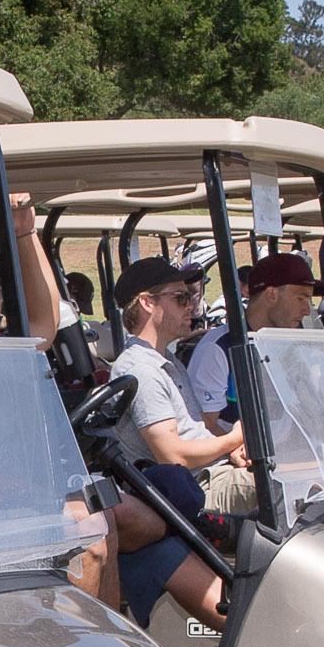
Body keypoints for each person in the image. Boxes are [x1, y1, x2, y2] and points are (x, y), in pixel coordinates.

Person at [95, 255, 239, 628]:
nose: (192, 306)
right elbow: (172, 454)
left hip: (201, 478)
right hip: (188, 486)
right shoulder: (138, 368)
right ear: (147, 303)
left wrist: (232, 446)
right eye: (180, 298)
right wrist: (237, 437)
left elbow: (196, 434)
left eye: (190, 297)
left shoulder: (167, 362)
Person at [183, 251, 316, 421]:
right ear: (271, 294)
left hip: (284, 446)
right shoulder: (219, 348)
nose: (307, 311)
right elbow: (207, 425)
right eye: (300, 298)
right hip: (240, 446)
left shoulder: (288, 347)